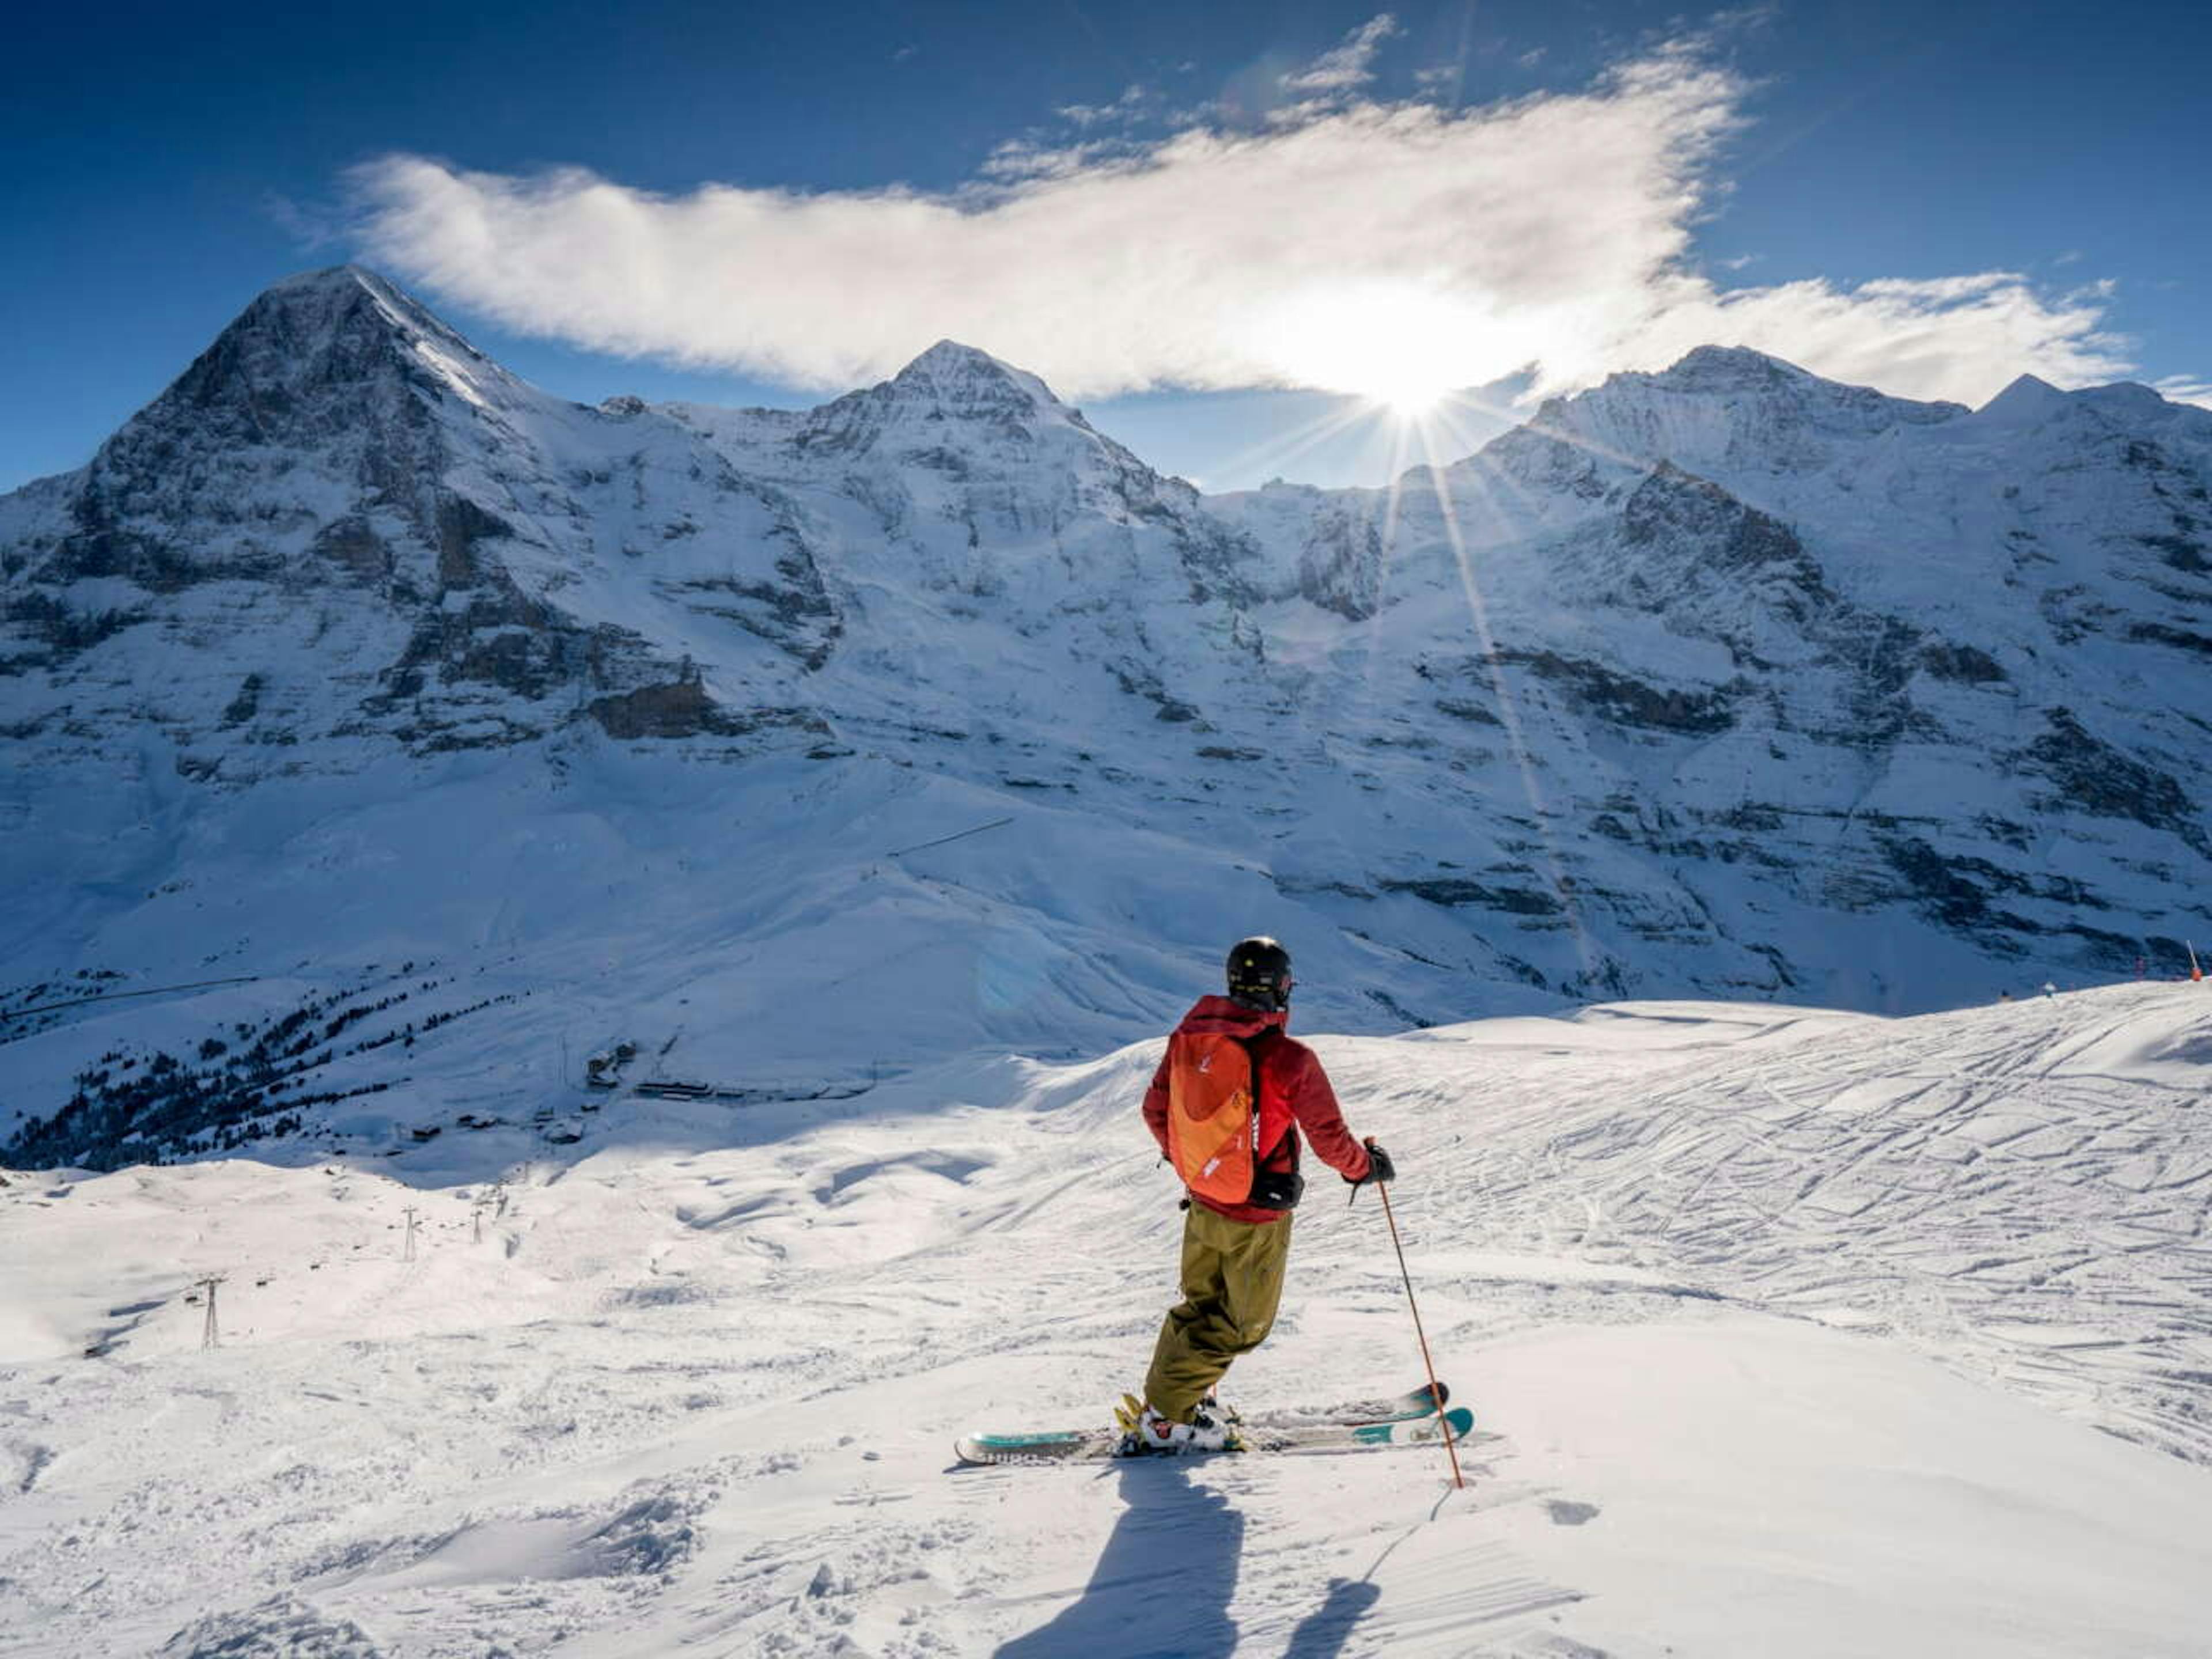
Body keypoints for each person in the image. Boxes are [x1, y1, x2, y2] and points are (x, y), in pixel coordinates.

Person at [1120, 935, 1395, 1453]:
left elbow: (1155, 1112)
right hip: (1256, 1217)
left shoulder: (1189, 1041)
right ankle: (1166, 1419)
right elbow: (1330, 1139)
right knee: (1242, 1326)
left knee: (1201, 1308)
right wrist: (1365, 1170)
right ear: (1283, 989)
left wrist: (1199, 1165)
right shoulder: (1289, 1058)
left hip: (1203, 1201)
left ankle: (1178, 1402)